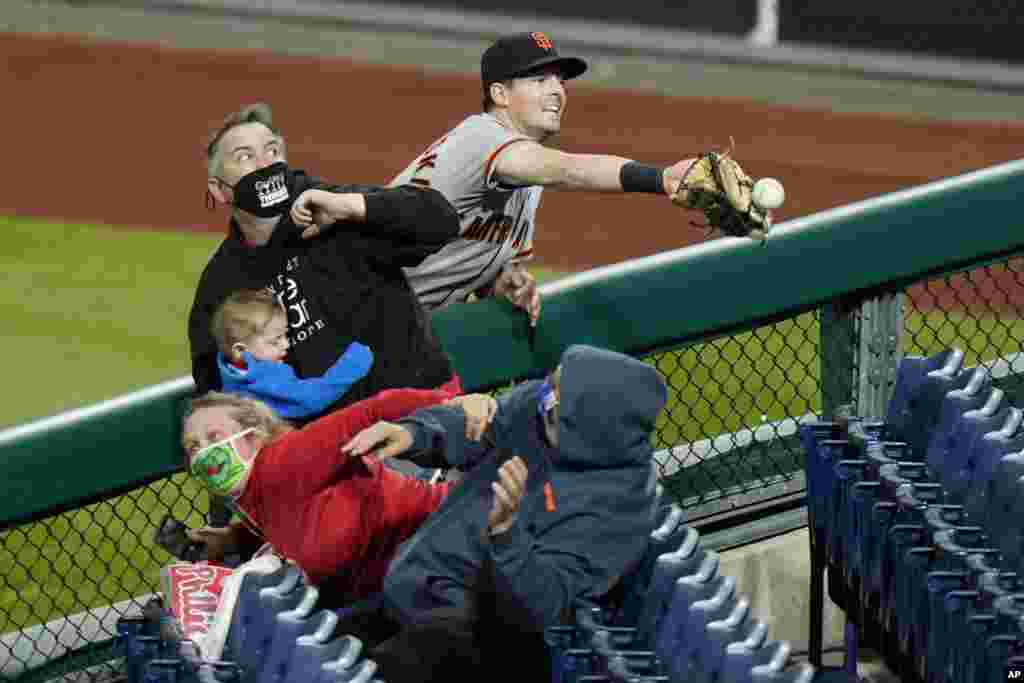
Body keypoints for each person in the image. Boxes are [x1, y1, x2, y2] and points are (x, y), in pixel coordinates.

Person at [340, 344, 668, 637]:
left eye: (554, 408)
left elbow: (548, 607)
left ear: (592, 432)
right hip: (411, 587)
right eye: (548, 387)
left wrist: (507, 534)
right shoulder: (543, 410)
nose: (541, 402)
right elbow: (482, 427)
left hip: (467, 635)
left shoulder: (617, 510)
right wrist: (414, 434)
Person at [380, 32, 704, 325]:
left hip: (392, 317)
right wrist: (661, 178)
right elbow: (568, 170)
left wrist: (502, 280)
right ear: (500, 94)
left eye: (560, 81)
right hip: (349, 303)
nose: (556, 91)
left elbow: (473, 248)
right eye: (539, 80)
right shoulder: (481, 137)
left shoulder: (524, 170)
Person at [189, 102, 462, 415]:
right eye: (245, 157)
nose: (265, 165)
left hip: (421, 418)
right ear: (219, 190)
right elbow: (215, 396)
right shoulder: (221, 283)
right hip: (332, 451)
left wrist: (352, 207)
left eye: (272, 151)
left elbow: (442, 220)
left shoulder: (336, 210)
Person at [180, 389, 499, 606]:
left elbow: (375, 409)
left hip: (455, 543)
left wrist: (456, 403)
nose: (203, 451)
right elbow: (292, 520)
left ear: (253, 436)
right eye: (193, 446)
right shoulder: (249, 495)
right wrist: (235, 539)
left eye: (213, 437)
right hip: (402, 584)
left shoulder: (289, 459)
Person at [211, 288, 374, 420]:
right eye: (275, 341)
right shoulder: (263, 381)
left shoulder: (232, 375)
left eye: (286, 335)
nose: (286, 344)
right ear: (241, 350)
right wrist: (353, 364)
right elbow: (309, 399)